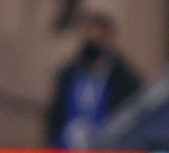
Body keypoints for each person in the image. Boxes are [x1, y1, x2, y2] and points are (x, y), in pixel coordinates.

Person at [45, 12, 142, 149]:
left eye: (98, 40)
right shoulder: (67, 77)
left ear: (109, 42)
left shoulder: (124, 81)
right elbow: (54, 120)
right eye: (88, 40)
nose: (92, 46)